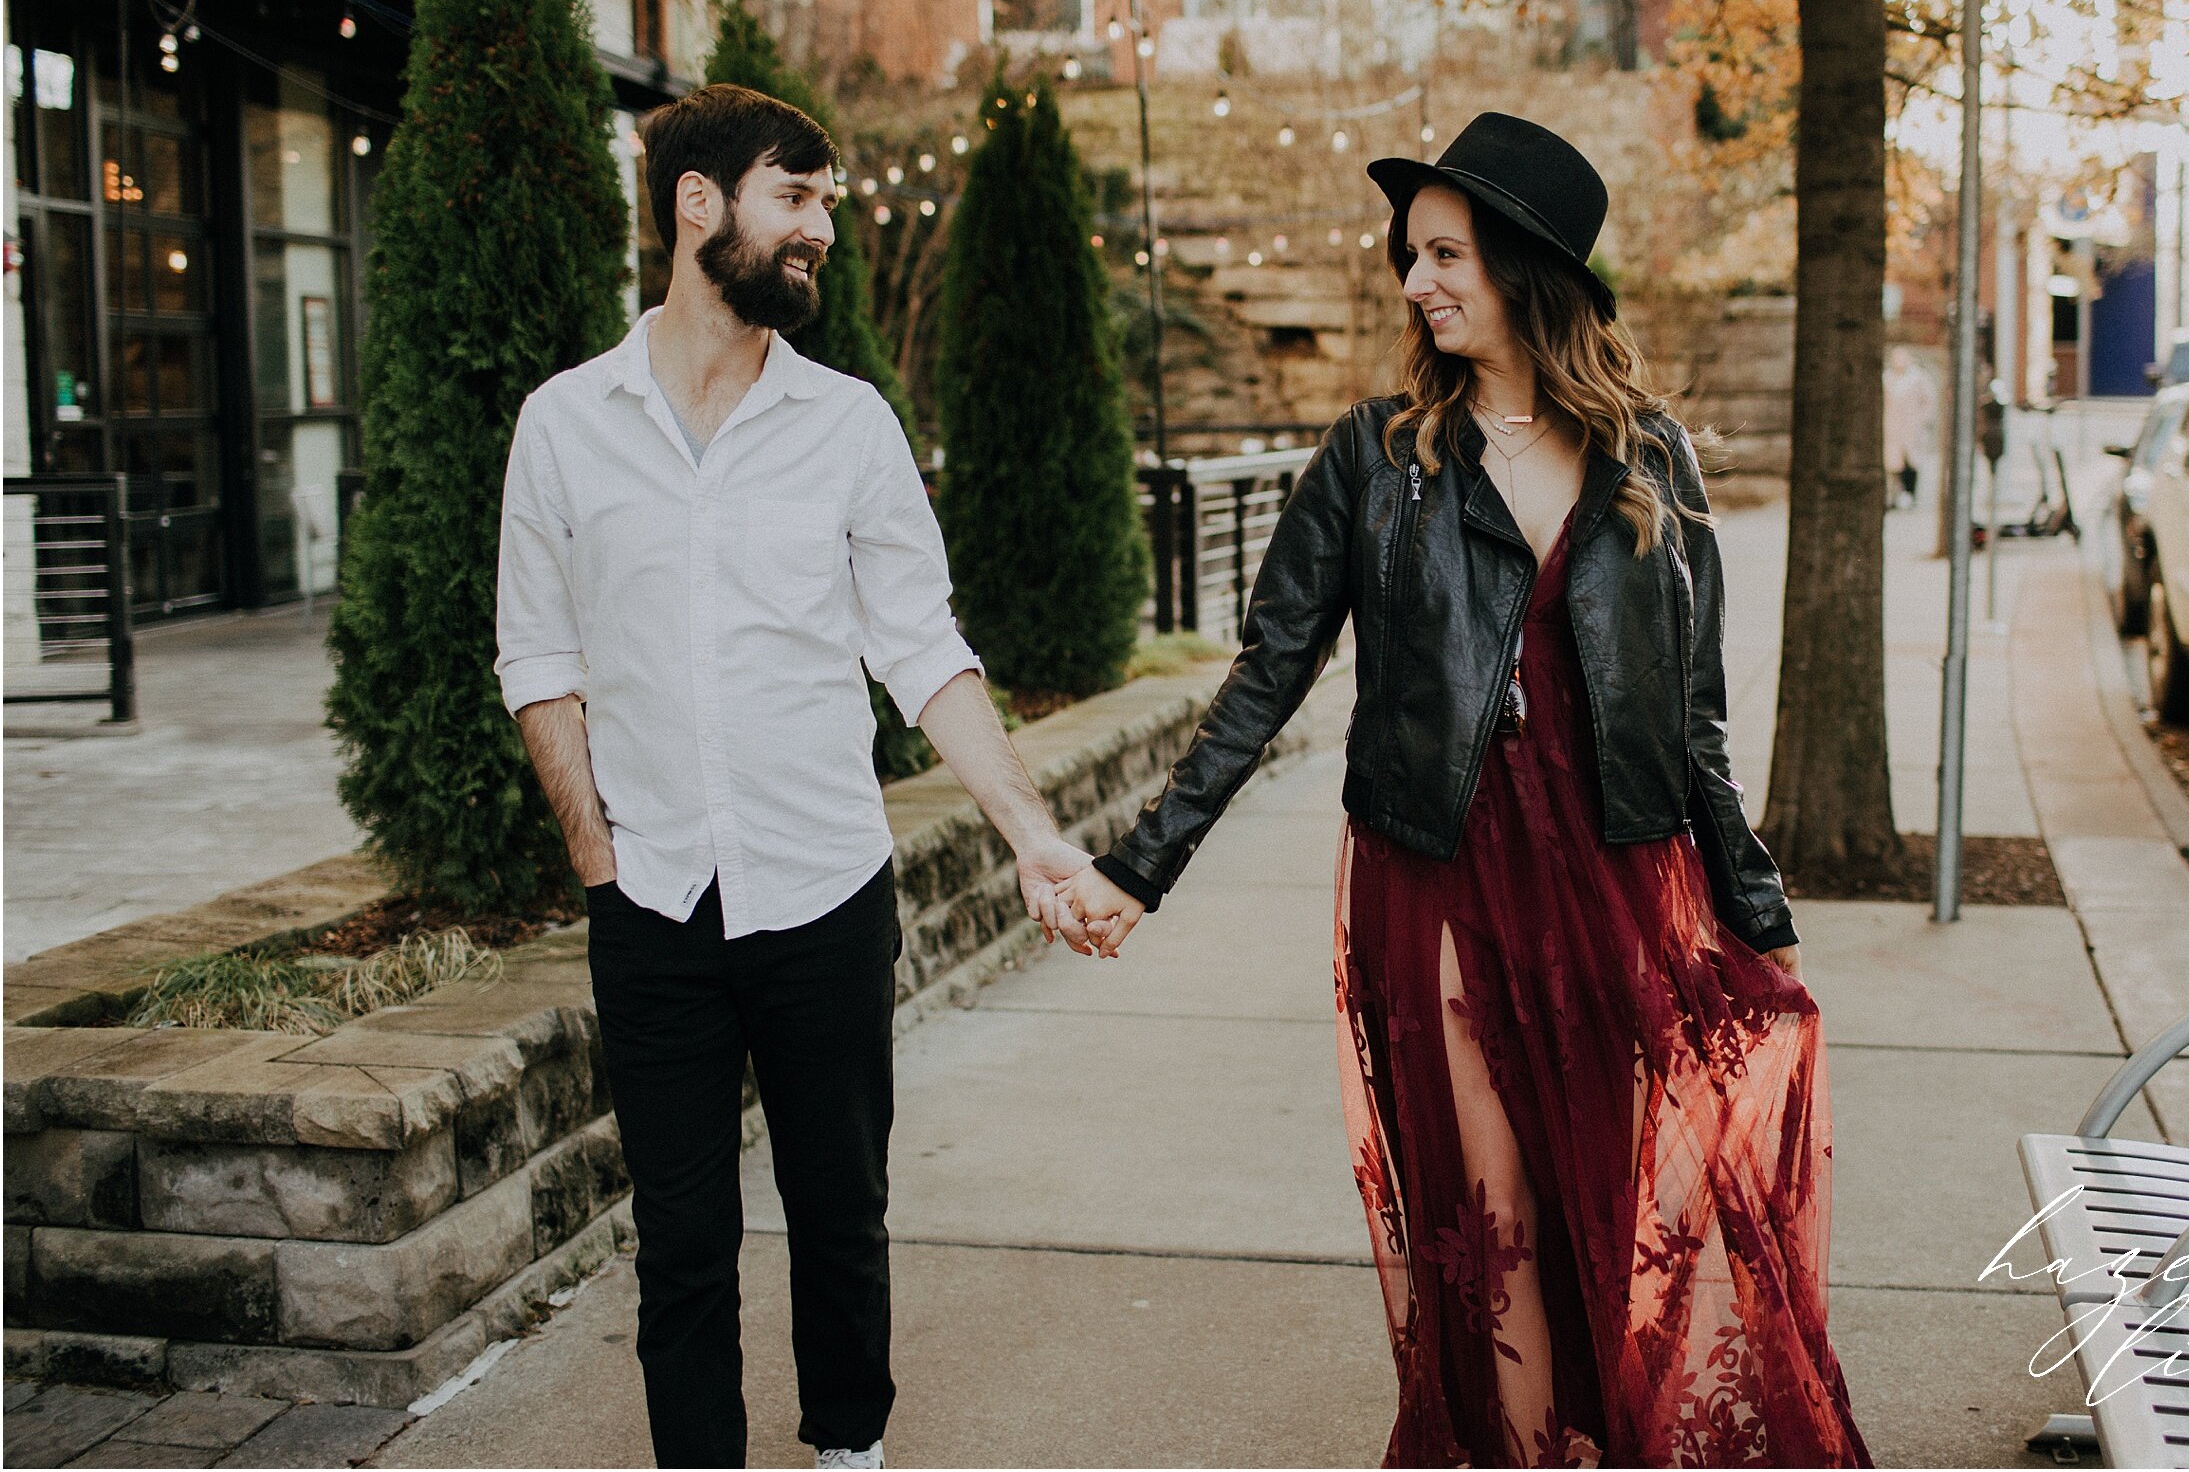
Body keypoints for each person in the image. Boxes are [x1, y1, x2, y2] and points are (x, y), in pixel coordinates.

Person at [1055, 113, 1870, 1468]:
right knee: (1490, 1225)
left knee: (1599, 1221)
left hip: (1611, 880)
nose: (1414, 281)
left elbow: (1695, 715)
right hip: (1438, 874)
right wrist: (1142, 864)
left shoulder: (1651, 460)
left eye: (1446, 253)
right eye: (1411, 254)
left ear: (1528, 269)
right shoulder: (1378, 458)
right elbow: (1266, 674)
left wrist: (1754, 900)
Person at [497, 84, 1095, 1469]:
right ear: (699, 206)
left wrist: (1029, 830)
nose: (824, 225)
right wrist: (598, 860)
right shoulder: (565, 425)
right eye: (798, 194)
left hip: (824, 888)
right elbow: (537, 656)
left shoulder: (848, 428)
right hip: (650, 897)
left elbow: (922, 648)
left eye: (828, 199)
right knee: (684, 1240)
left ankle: (848, 1451)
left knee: (841, 1210)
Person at [1883, 346, 1937, 509]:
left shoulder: (1918, 377)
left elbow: (1929, 401)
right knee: (1892, 464)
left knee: (1911, 462)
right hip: (1892, 426)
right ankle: (1892, 495)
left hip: (1911, 426)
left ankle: (1909, 493)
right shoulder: (1886, 377)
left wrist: (1921, 419)